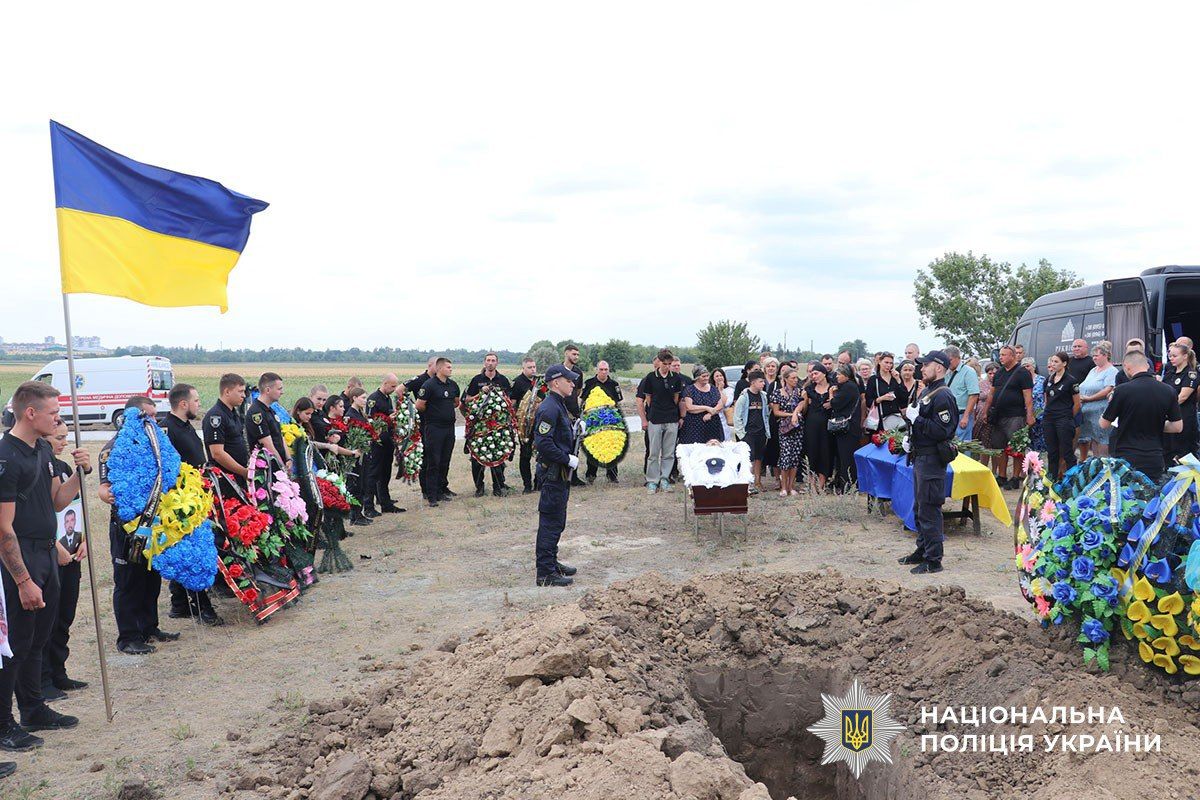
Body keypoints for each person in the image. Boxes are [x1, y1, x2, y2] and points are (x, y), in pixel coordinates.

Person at [0, 382, 91, 760]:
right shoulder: (6, 456)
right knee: (14, 644)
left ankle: (34, 708)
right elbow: (3, 529)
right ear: (30, 413)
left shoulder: (41, 450)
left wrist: (79, 475)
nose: (59, 418)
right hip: (17, 556)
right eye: (54, 412)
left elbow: (56, 502)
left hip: (45, 553)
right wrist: (22, 580)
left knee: (39, 635)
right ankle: (5, 724)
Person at [98, 395, 180, 658]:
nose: (154, 421)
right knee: (128, 582)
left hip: (152, 526)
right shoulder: (115, 447)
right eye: (149, 416)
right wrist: (105, 492)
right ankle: (128, 637)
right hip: (126, 529)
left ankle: (148, 627)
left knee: (150, 579)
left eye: (155, 416)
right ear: (133, 416)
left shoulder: (153, 446)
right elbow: (105, 488)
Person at [163, 384, 222, 626]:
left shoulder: (185, 426)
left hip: (196, 496)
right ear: (183, 404)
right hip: (181, 501)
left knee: (185, 551)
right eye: (196, 400)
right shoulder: (169, 429)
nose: (199, 404)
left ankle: (179, 604)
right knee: (191, 554)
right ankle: (201, 606)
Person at [39, 421, 88, 704]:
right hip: (51, 552)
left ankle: (59, 670)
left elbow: (74, 508)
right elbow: (44, 511)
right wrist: (55, 546)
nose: (65, 442)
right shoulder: (40, 469)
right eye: (59, 437)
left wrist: (81, 541)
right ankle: (42, 678)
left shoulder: (64, 468)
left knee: (65, 615)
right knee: (48, 619)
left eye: (66, 437)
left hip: (72, 552)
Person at [898, 351, 959, 575]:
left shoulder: (943, 395)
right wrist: (910, 436)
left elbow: (943, 430)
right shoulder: (930, 391)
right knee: (920, 507)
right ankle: (922, 550)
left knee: (930, 509)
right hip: (921, 456)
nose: (921, 369)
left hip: (932, 459)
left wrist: (918, 419)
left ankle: (934, 559)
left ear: (940, 368)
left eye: (926, 365)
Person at [1102, 352, 1183, 481]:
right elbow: (1177, 427)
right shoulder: (1168, 390)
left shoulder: (1122, 390)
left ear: (1127, 367)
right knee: (1152, 497)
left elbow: (1104, 424)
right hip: (1154, 456)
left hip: (1126, 456)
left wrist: (1109, 405)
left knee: (1125, 498)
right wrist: (1156, 424)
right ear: (1146, 366)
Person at [532, 365, 579, 587]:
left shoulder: (558, 404)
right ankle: (545, 573)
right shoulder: (549, 407)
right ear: (556, 382)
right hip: (553, 472)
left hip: (559, 473)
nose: (572, 383)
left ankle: (551, 562)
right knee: (551, 522)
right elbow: (544, 443)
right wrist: (566, 458)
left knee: (557, 520)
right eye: (568, 380)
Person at [979, 346, 1034, 489]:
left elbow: (1028, 396)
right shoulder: (999, 373)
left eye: (1004, 355)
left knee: (1016, 448)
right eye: (1000, 355)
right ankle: (1002, 476)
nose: (1001, 357)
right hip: (998, 416)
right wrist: (985, 411)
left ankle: (1015, 478)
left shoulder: (1023, 373)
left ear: (1013, 356)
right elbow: (991, 394)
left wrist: (1029, 415)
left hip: (1016, 416)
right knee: (999, 447)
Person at [464, 355, 513, 497]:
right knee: (477, 458)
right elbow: (467, 400)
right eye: (488, 360)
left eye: (493, 361)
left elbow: (510, 402)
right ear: (484, 363)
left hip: (498, 426)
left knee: (498, 455)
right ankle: (479, 488)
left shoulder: (503, 380)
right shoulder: (476, 380)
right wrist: (480, 393)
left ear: (497, 363)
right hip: (480, 427)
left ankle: (498, 487)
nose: (490, 363)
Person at [637, 349, 684, 494]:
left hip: (671, 418)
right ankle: (652, 480)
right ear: (659, 362)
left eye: (670, 364)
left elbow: (677, 398)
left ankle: (665, 478)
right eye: (665, 364)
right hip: (655, 418)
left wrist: (677, 415)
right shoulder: (650, 377)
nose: (667, 367)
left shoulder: (676, 378)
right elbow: (648, 399)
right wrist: (647, 418)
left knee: (669, 452)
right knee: (653, 452)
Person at [416, 358, 461, 507]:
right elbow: (420, 405)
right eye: (448, 367)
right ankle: (432, 495)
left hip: (449, 428)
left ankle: (442, 490)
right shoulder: (429, 385)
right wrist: (434, 413)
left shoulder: (453, 385)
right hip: (434, 428)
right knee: (433, 461)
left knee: (444, 461)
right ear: (440, 368)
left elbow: (456, 402)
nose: (450, 369)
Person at [365, 374, 404, 513]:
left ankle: (385, 503)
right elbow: (370, 421)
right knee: (374, 474)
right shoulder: (373, 399)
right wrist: (388, 419)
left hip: (388, 441)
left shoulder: (387, 398)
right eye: (392, 386)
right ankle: (369, 506)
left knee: (385, 473)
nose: (394, 389)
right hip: (377, 442)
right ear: (385, 383)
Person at [581, 361, 624, 484]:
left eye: (606, 369)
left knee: (611, 446)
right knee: (592, 447)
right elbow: (583, 402)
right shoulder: (589, 383)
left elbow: (617, 403)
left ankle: (612, 475)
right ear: (596, 370)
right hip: (593, 421)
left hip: (610, 420)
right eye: (601, 369)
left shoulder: (614, 384)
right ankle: (591, 474)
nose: (604, 372)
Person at [1042, 352, 1081, 479]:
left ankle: (1072, 480)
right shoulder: (1049, 379)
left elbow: (1077, 404)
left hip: (1063, 419)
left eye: (1056, 362)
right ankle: (1051, 480)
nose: (1053, 364)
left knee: (1066, 451)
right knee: (1052, 452)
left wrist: (1068, 417)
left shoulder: (1071, 381)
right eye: (1052, 361)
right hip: (1049, 419)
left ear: (1064, 363)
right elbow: (1046, 399)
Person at [204, 373, 250, 480]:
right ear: (227, 392)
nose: (244, 395)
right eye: (240, 391)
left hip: (237, 475)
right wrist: (244, 472)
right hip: (225, 478)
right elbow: (217, 453)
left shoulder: (233, 413)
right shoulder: (216, 416)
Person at [406, 358, 439, 499]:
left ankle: (440, 487)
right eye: (437, 365)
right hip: (423, 423)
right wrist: (410, 407)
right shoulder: (419, 380)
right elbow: (400, 390)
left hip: (436, 423)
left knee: (438, 457)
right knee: (426, 457)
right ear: (430, 365)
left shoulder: (440, 381)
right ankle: (425, 489)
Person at [1078, 342, 1119, 458]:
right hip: (1088, 410)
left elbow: (1108, 389)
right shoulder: (1093, 370)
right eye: (1093, 356)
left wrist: (1089, 398)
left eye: (1097, 355)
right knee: (1093, 438)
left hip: (1101, 410)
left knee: (1102, 438)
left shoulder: (1111, 371)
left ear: (1105, 355)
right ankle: (1096, 464)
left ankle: (1104, 466)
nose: (1094, 358)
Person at [733, 370, 771, 494]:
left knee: (759, 458)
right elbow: (737, 417)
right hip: (748, 432)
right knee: (749, 459)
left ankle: (757, 481)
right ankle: (747, 484)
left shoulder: (763, 396)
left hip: (761, 432)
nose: (763, 384)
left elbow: (765, 414)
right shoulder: (744, 397)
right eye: (761, 382)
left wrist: (766, 431)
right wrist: (741, 434)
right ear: (753, 382)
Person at [770, 367, 804, 496]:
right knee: (785, 456)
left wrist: (796, 413)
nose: (796, 380)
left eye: (797, 378)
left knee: (795, 457)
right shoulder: (777, 393)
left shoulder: (800, 392)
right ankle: (783, 487)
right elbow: (776, 412)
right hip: (784, 428)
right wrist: (792, 414)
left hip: (798, 428)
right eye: (793, 378)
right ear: (785, 379)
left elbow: (803, 406)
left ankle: (791, 486)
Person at [1163, 342, 1199, 462]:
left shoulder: (1191, 374)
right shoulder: (1169, 372)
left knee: (1184, 450)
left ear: (1185, 356)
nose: (1171, 358)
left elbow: (1182, 397)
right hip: (1169, 416)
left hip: (1184, 416)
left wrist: (1164, 407)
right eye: (1170, 356)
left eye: (1174, 356)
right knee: (1167, 447)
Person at [829, 364, 862, 493]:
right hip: (851, 428)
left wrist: (831, 393)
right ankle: (848, 484)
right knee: (846, 456)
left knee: (846, 457)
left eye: (839, 374)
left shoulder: (848, 387)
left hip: (848, 428)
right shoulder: (851, 386)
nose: (836, 377)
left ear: (846, 375)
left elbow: (835, 404)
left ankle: (847, 486)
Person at [246, 373, 289, 469]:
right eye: (279, 389)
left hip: (279, 464)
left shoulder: (271, 410)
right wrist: (281, 466)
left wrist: (288, 459)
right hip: (268, 467)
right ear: (268, 390)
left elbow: (279, 436)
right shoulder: (256, 413)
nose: (282, 392)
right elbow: (267, 445)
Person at [509, 357, 540, 494]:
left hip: (539, 423)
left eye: (534, 367)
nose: (532, 369)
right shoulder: (518, 382)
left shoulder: (540, 382)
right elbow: (513, 403)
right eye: (529, 367)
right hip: (525, 425)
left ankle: (538, 482)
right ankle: (527, 485)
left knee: (542, 454)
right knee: (525, 455)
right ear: (523, 368)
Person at [803, 364, 834, 493]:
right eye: (812, 374)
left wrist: (831, 395)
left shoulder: (833, 387)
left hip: (827, 426)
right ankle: (811, 484)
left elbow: (835, 405)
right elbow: (804, 406)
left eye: (816, 373)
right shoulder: (809, 389)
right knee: (811, 452)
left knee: (825, 453)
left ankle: (821, 485)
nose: (813, 376)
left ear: (823, 373)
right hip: (811, 425)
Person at [344, 387, 374, 518]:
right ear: (354, 398)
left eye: (366, 398)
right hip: (356, 454)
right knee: (356, 484)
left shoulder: (361, 413)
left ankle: (359, 512)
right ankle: (354, 514)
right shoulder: (351, 414)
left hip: (364, 453)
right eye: (362, 398)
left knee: (363, 483)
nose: (365, 401)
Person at [680, 366, 725, 445]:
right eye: (703, 376)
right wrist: (706, 408)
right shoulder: (690, 389)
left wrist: (710, 413)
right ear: (697, 378)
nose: (706, 378)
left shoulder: (713, 388)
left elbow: (720, 405)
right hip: (695, 426)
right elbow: (689, 407)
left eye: (707, 376)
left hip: (713, 424)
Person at [562, 347, 587, 486]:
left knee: (574, 445)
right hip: (559, 410)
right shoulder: (558, 370)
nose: (576, 356)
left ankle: (573, 476)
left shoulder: (578, 372)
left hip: (573, 412)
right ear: (566, 353)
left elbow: (577, 392)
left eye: (578, 354)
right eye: (574, 354)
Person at [943, 346, 979, 441]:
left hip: (962, 413)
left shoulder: (968, 372)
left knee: (963, 444)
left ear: (957, 358)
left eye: (950, 360)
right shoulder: (947, 372)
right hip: (949, 414)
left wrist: (966, 417)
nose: (948, 363)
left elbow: (974, 395)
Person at [865, 352, 904, 432]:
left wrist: (898, 380)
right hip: (880, 419)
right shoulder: (873, 380)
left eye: (891, 363)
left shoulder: (895, 378)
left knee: (896, 443)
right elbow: (868, 402)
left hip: (896, 418)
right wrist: (881, 398)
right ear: (879, 362)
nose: (889, 365)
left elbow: (904, 397)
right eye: (886, 362)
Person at [1025, 357, 1046, 456]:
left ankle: (1039, 468)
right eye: (1023, 366)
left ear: (1033, 366)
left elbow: (1046, 397)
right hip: (1025, 416)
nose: (1026, 368)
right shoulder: (1021, 381)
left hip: (1039, 416)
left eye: (1028, 366)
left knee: (1039, 445)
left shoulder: (1041, 380)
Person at [712, 368, 734, 442]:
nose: (719, 378)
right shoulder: (710, 390)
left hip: (724, 419)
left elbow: (726, 403)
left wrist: (720, 390)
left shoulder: (729, 390)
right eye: (717, 376)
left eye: (721, 375)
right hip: (712, 418)